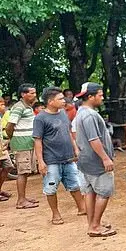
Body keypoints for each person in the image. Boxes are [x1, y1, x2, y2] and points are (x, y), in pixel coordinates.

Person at [33, 87, 86, 225]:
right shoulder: (40, 118)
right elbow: (37, 140)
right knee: (51, 187)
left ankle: (82, 208)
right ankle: (55, 214)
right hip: (51, 160)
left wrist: (75, 149)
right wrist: (41, 161)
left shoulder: (62, 113)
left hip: (68, 157)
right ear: (50, 101)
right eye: (60, 99)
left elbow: (68, 132)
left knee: (75, 184)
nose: (64, 101)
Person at [74, 83, 117, 237]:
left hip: (86, 160)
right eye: (100, 95)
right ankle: (96, 225)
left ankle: (92, 224)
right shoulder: (90, 115)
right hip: (96, 160)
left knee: (90, 192)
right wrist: (105, 158)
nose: (102, 97)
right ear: (90, 97)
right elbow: (94, 139)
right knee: (104, 192)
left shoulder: (81, 112)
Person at [6, 83, 39, 209]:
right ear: (23, 94)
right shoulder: (19, 107)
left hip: (27, 142)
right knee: (23, 172)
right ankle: (21, 200)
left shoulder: (27, 107)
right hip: (22, 144)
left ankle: (23, 197)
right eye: (32, 93)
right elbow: (10, 125)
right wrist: (12, 138)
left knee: (25, 172)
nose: (34, 95)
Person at [0, 98, 13, 202]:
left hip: (2, 147)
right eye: (1, 104)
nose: (3, 107)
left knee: (8, 166)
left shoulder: (2, 116)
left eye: (3, 104)